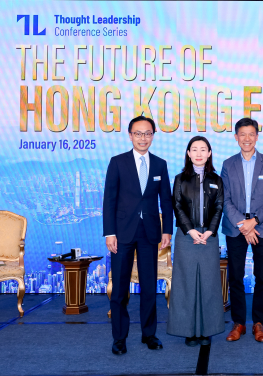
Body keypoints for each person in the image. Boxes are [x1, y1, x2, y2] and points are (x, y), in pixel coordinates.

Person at [103, 115, 173, 355]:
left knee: (148, 286)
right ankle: (119, 338)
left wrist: (167, 231)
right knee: (120, 288)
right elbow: (109, 200)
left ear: (153, 135)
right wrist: (109, 232)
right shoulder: (118, 162)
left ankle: (149, 334)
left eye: (148, 133)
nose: (143, 138)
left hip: (150, 233)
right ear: (130, 135)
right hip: (122, 233)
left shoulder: (160, 164)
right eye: (138, 133)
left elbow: (166, 200)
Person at [221, 117, 263, 343]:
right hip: (236, 228)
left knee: (262, 276)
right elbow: (224, 200)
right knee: (235, 276)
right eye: (242, 135)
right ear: (236, 138)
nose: (247, 138)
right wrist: (243, 225)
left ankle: (258, 323)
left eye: (251, 134)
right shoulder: (228, 164)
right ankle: (238, 323)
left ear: (257, 136)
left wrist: (253, 222)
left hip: (262, 227)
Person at [167, 136, 225, 346]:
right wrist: (190, 231)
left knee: (209, 284)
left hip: (209, 238)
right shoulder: (180, 179)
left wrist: (209, 232)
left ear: (209, 153)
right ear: (188, 153)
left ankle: (206, 331)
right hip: (186, 237)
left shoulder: (217, 180)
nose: (199, 153)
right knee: (186, 284)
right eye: (195, 149)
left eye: (203, 149)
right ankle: (189, 332)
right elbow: (177, 206)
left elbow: (219, 207)